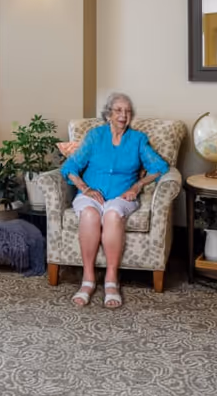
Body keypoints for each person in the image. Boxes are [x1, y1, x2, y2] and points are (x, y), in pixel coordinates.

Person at [60, 92, 168, 309]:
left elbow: (159, 167)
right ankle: (88, 279)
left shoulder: (137, 140)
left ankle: (111, 280)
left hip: (121, 197)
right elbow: (69, 167)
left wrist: (136, 186)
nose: (123, 115)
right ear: (108, 114)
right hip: (91, 195)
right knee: (90, 215)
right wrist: (85, 188)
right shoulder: (94, 136)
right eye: (118, 110)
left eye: (127, 111)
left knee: (112, 214)